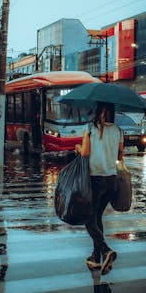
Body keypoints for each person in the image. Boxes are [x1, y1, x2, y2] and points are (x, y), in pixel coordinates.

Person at [75, 102, 124, 275]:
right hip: (111, 180)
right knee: (97, 217)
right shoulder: (118, 130)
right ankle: (96, 258)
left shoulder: (90, 128)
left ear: (97, 111)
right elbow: (120, 155)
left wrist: (78, 147)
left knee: (88, 218)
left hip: (95, 180)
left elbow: (85, 153)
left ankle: (105, 250)